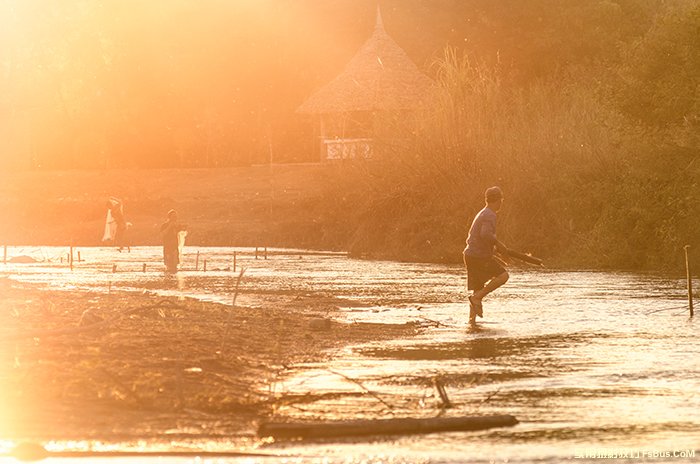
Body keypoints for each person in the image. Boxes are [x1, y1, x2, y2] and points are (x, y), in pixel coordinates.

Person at [463, 186, 510, 324]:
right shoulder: (490, 214)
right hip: (478, 257)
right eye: (501, 200)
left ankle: (472, 323)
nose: (502, 203)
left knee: (476, 292)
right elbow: (485, 235)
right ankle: (477, 299)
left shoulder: (483, 213)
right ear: (498, 200)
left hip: (471, 255)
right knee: (503, 276)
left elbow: (480, 238)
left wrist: (495, 251)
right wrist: (499, 244)